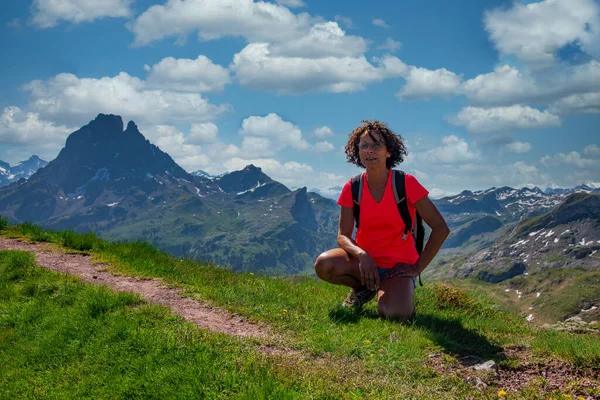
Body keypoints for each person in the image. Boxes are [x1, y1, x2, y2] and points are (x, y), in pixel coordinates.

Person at [314, 120, 450, 321]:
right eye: (364, 146)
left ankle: (391, 291)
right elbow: (343, 236)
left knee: (395, 314)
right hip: (365, 264)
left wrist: (417, 268)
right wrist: (363, 255)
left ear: (388, 152)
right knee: (324, 264)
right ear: (357, 153)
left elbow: (440, 228)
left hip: (398, 268)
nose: (370, 150)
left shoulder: (405, 183)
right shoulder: (353, 187)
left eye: (377, 145)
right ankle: (363, 288)